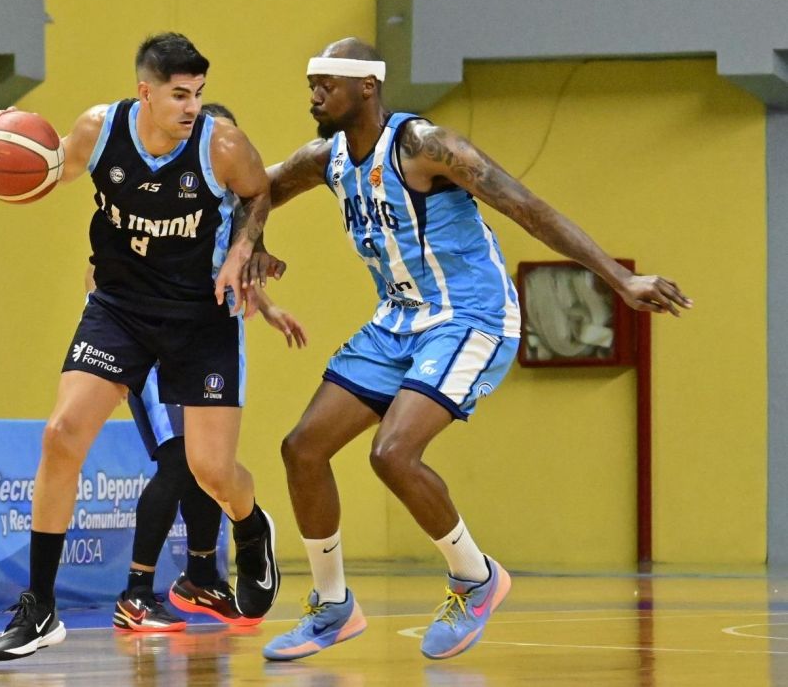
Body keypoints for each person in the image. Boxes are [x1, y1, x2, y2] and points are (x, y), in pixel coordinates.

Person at [256, 38, 693, 661]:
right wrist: (251, 245)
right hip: (398, 321)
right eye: (311, 84)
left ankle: (475, 577)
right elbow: (256, 190)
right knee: (302, 449)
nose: (315, 95)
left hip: (472, 317)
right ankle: (333, 606)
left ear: (367, 86)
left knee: (392, 454)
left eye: (327, 83)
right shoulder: (325, 159)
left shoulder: (425, 146)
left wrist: (620, 280)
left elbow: (526, 207)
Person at [0, 33, 282, 662]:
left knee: (210, 471)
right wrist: (11, 138)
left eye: (198, 93)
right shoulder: (99, 130)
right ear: (145, 92)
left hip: (201, 317)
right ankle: (39, 607)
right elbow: (50, 168)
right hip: (120, 309)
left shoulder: (222, 145)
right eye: (179, 95)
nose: (192, 106)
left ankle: (252, 526)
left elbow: (259, 193)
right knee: (61, 435)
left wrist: (242, 249)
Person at [111, 103, 306, 634]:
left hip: (201, 340)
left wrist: (268, 307)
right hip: (148, 342)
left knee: (206, 464)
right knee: (177, 461)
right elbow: (100, 268)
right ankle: (135, 594)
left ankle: (200, 577)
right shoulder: (153, 190)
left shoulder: (229, 202)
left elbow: (226, 266)